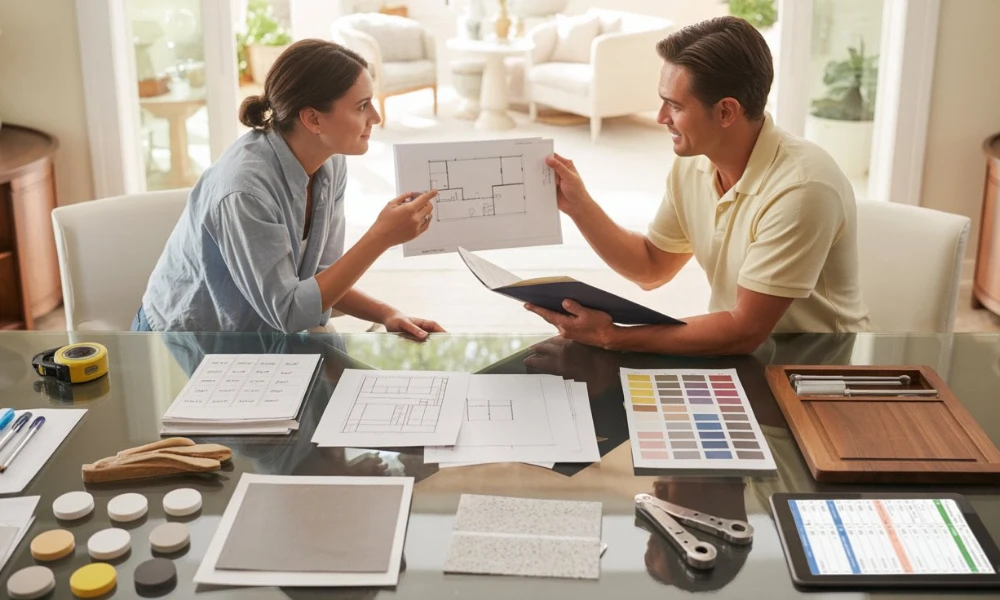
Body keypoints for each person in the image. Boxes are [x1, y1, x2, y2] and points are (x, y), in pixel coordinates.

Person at [526, 16, 870, 356]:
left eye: (674, 105)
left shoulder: (801, 188)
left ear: (725, 112)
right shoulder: (693, 165)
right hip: (740, 360)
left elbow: (744, 331)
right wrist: (579, 205)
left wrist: (613, 337)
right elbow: (651, 267)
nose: (661, 117)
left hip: (814, 375)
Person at [134, 39, 444, 338]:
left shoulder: (330, 163)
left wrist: (386, 313)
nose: (375, 117)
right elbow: (289, 312)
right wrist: (381, 236)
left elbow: (319, 280)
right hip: (186, 342)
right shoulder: (245, 191)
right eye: (362, 106)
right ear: (312, 119)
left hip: (259, 334)